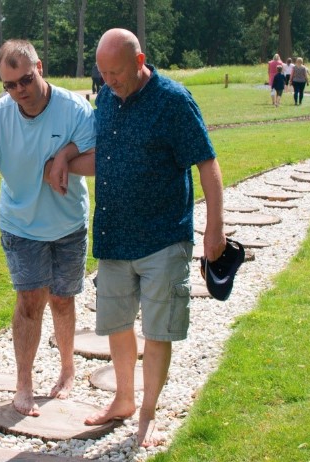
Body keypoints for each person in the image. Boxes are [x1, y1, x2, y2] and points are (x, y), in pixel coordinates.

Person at [79, 28, 226, 448]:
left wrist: (214, 228)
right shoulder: (106, 98)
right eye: (103, 73)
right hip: (113, 237)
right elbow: (105, 159)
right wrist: (65, 161)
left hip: (163, 237)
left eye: (117, 73)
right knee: (117, 324)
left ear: (140, 61)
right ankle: (123, 400)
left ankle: (148, 414)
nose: (109, 81)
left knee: (159, 329)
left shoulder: (173, 101)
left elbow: (207, 165)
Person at [0, 39, 96, 417]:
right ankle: (24, 384)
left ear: (40, 68)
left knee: (64, 300)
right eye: (10, 85)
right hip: (21, 225)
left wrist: (63, 156)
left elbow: (98, 159)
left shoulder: (74, 108)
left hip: (68, 223)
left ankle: (67, 369)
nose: (19, 91)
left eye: (25, 80)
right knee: (30, 302)